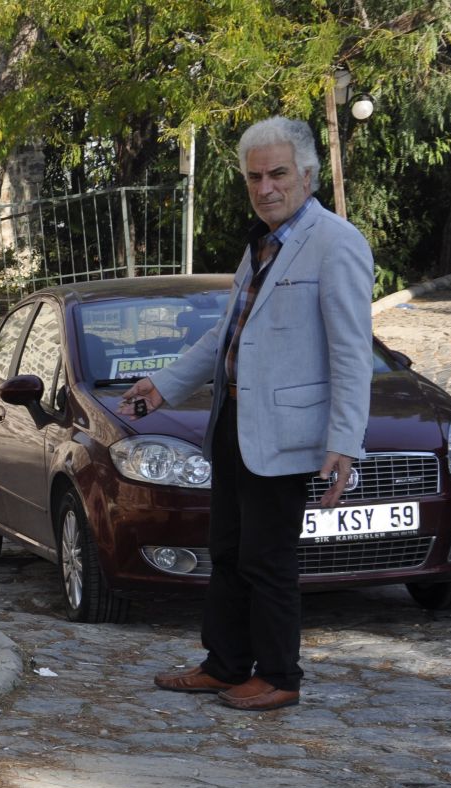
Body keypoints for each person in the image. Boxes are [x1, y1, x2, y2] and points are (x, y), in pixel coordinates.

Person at [118, 116, 374, 711]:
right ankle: (225, 664)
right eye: (255, 177)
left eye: (278, 174)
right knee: (228, 550)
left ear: (307, 176)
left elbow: (351, 353)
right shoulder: (261, 245)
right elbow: (223, 339)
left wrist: (344, 442)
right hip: (233, 424)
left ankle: (280, 676)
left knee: (268, 558)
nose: (265, 188)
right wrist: (163, 385)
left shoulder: (336, 244)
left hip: (287, 432)